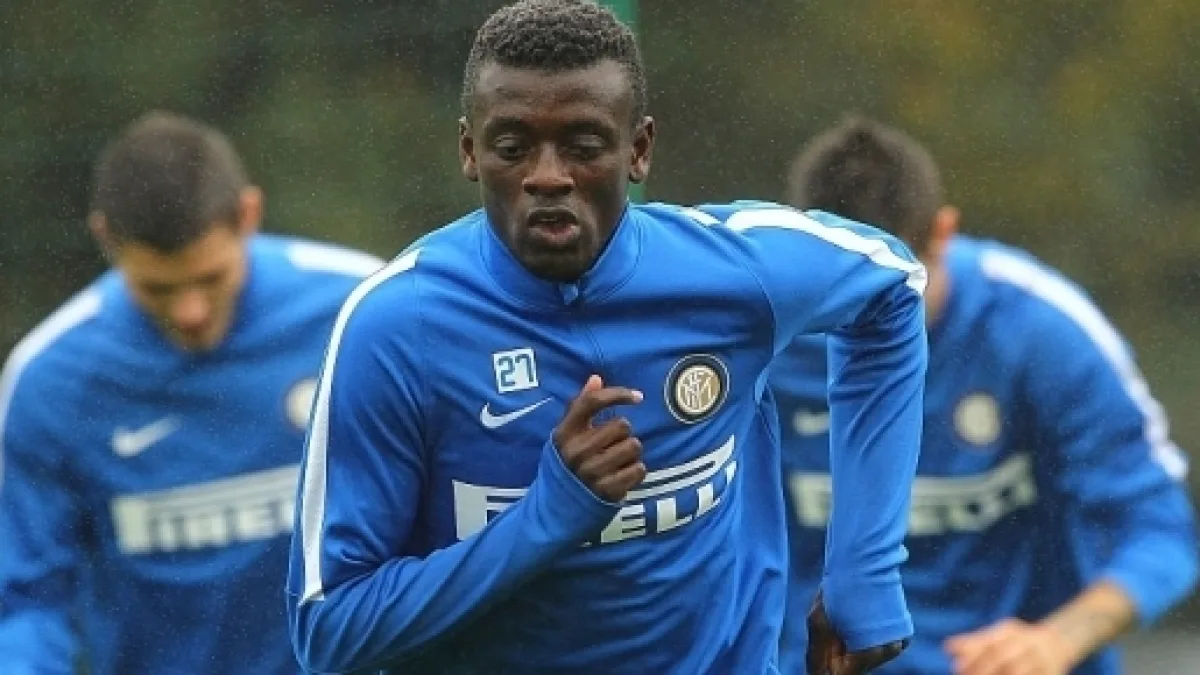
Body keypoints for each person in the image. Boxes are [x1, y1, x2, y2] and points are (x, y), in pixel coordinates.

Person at [285, 1, 928, 673]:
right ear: (470, 152)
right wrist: (545, 518)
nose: (547, 175)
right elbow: (329, 630)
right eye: (512, 147)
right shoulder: (396, 328)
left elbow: (893, 287)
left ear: (639, 149)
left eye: (584, 146)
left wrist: (866, 571)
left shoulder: (736, 276)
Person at [773, 116, 1199, 675]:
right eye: (844, 297)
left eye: (896, 293)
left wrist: (1057, 641)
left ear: (943, 235)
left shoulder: (1041, 332)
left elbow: (1160, 532)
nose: (869, 325)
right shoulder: (761, 339)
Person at [0, 111, 384, 674]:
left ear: (248, 215)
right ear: (106, 239)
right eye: (157, 288)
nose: (190, 312)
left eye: (210, 279)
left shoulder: (362, 310)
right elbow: (28, 598)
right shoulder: (51, 379)